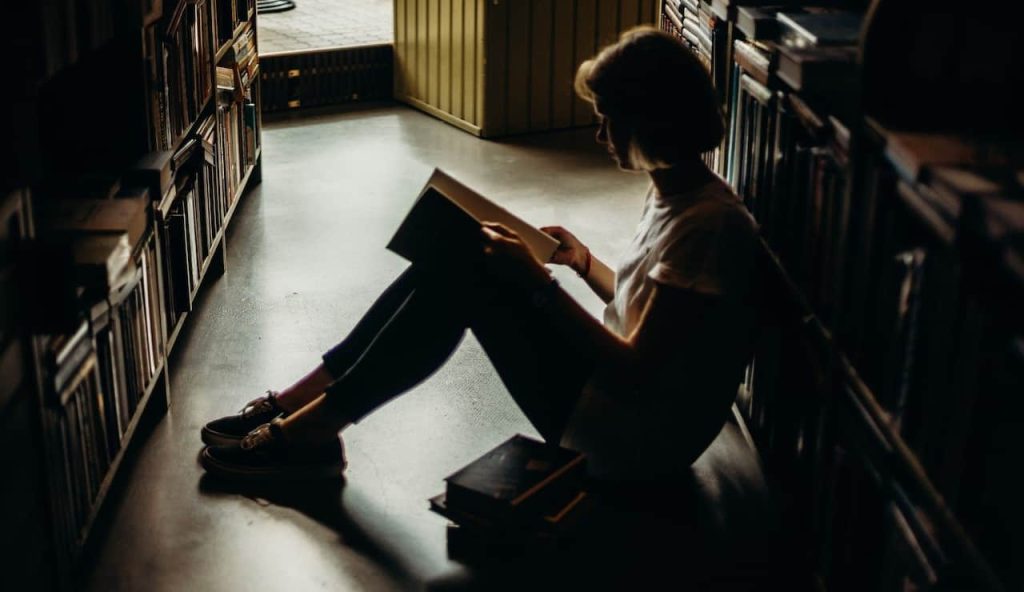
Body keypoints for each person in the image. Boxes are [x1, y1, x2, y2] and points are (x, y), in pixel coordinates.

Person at [199, 26, 760, 482]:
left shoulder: (707, 225)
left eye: (610, 119)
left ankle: (307, 430)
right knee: (459, 254)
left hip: (632, 442)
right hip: (611, 402)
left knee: (466, 275)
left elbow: (637, 367)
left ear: (653, 122)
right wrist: (584, 263)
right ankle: (307, 409)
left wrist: (538, 286)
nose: (599, 134)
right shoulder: (678, 192)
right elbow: (652, 313)